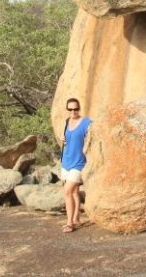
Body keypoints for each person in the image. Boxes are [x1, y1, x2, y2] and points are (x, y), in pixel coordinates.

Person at [60, 97, 91, 233]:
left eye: (76, 109)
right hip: (66, 161)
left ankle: (69, 223)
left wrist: (88, 146)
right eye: (70, 109)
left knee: (67, 191)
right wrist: (63, 138)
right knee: (74, 192)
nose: (73, 111)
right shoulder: (67, 121)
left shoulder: (86, 123)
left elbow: (95, 134)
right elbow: (67, 137)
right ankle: (76, 218)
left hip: (78, 163)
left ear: (79, 108)